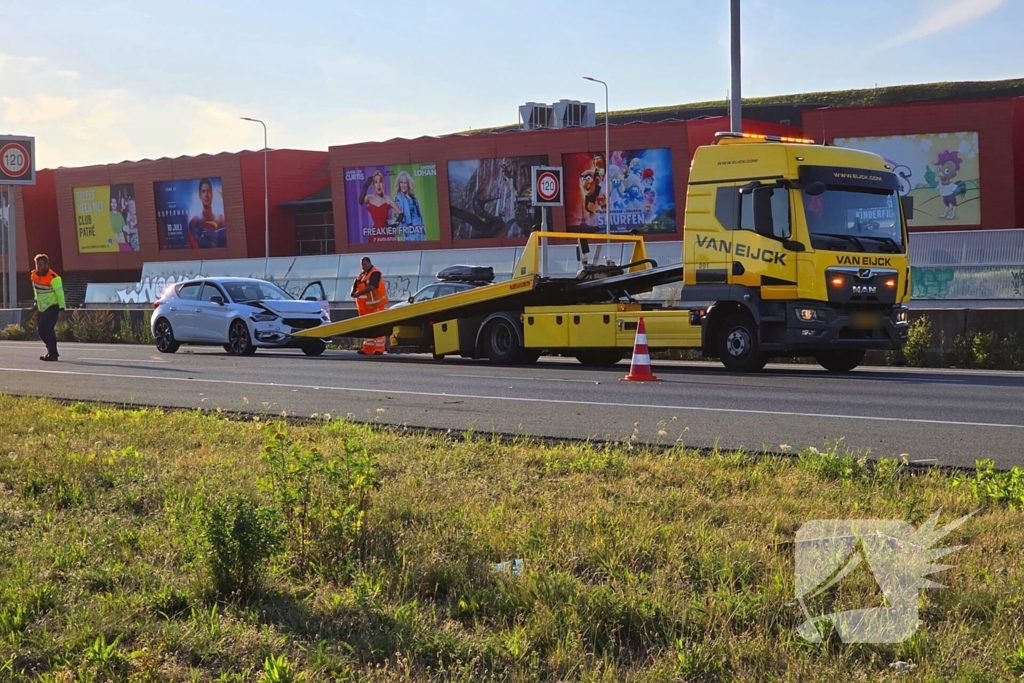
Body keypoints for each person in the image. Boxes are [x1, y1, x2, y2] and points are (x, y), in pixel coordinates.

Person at [350, 256, 389, 354]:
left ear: (369, 263)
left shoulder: (375, 273)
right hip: (365, 307)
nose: (363, 267)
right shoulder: (361, 274)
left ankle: (379, 349)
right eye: (362, 265)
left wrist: (358, 294)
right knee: (367, 328)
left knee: (378, 327)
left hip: (376, 305)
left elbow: (372, 287)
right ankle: (367, 349)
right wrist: (352, 292)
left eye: (364, 264)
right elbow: (355, 284)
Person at [31, 254, 66, 362]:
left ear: (46, 265)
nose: (38, 267)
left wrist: (62, 309)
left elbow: (60, 294)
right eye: (37, 264)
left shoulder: (54, 278)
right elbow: (36, 291)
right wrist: (36, 302)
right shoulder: (33, 275)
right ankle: (52, 352)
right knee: (41, 331)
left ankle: (52, 353)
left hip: (53, 306)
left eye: (41, 265)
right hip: (42, 307)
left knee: (45, 329)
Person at [187, 178, 227, 249]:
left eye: (208, 191)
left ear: (212, 195)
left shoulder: (222, 220)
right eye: (203, 191)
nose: (206, 195)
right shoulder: (193, 223)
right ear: (200, 196)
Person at [392, 171, 426, 241]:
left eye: (405, 182)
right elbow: (399, 215)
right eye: (401, 182)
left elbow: (419, 214)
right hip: (410, 231)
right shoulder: (398, 198)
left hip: (420, 229)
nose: (403, 185)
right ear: (399, 184)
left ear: (408, 184)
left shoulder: (414, 197)